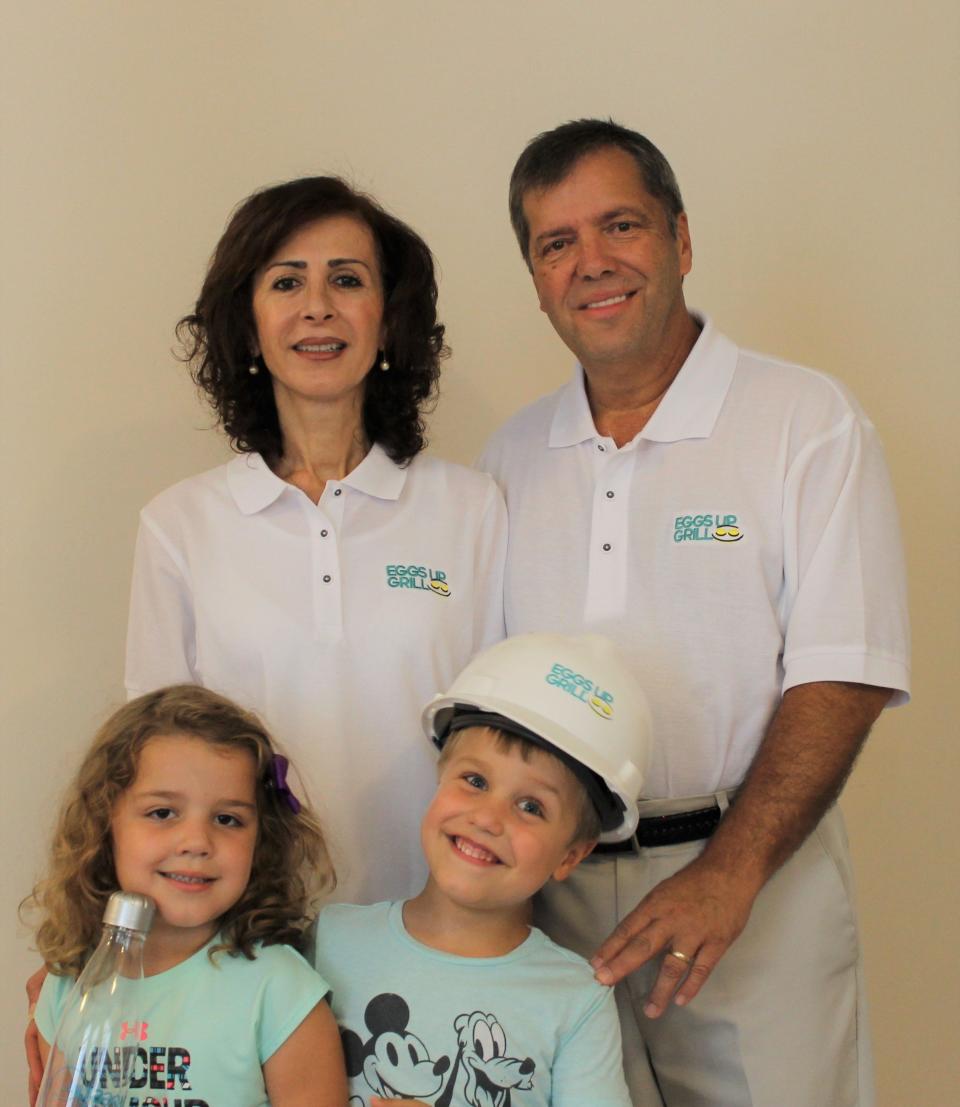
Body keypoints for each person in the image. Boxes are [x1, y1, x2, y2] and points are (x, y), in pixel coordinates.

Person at [478, 119, 910, 1107]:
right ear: (537, 279)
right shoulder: (507, 460)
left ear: (679, 239)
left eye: (619, 226)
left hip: (756, 890)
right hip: (555, 902)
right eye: (556, 244)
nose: (593, 263)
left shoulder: (804, 422)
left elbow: (842, 675)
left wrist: (729, 873)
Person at [125, 176, 507, 907]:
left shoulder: (471, 508)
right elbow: (155, 773)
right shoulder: (179, 525)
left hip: (442, 926)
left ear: (388, 318)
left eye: (347, 279)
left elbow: (507, 744)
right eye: (286, 281)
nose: (317, 307)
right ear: (248, 324)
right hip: (250, 937)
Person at [312, 632, 652, 1107]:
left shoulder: (575, 1000)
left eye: (531, 806)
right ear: (438, 777)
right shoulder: (327, 941)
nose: (489, 818)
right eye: (474, 781)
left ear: (571, 855)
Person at [25, 684, 347, 1107]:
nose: (196, 841)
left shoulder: (279, 991)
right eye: (162, 813)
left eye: (227, 819)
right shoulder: (68, 985)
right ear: (106, 824)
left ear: (261, 838)